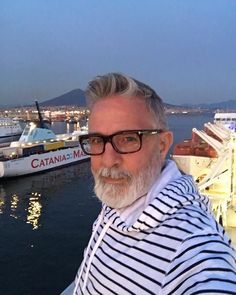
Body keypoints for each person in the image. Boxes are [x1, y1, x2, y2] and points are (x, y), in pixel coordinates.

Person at [71, 73, 236, 294]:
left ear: (162, 145)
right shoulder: (123, 196)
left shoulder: (192, 247)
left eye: (128, 138)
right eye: (96, 140)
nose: (108, 161)